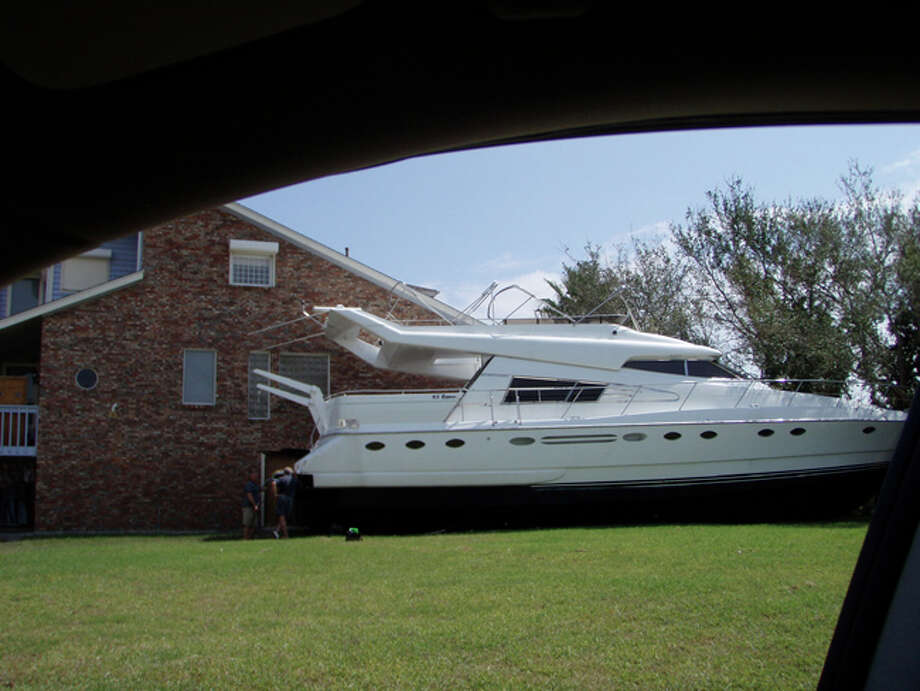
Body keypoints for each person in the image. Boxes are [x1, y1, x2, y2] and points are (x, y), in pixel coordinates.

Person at [271, 466, 298, 538]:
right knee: (284, 517)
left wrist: (275, 494)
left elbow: (273, 483)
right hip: (290, 499)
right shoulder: (294, 480)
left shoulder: (281, 478)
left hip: (282, 498)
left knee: (281, 516)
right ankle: (277, 531)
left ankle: (285, 535)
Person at [242, 471, 260, 539]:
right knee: (247, 523)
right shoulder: (249, 485)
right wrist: (254, 504)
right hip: (248, 507)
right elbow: (249, 495)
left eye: (257, 476)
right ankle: (245, 538)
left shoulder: (256, 485)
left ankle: (249, 537)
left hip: (254, 507)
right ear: (251, 476)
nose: (256, 477)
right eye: (254, 476)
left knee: (254, 524)